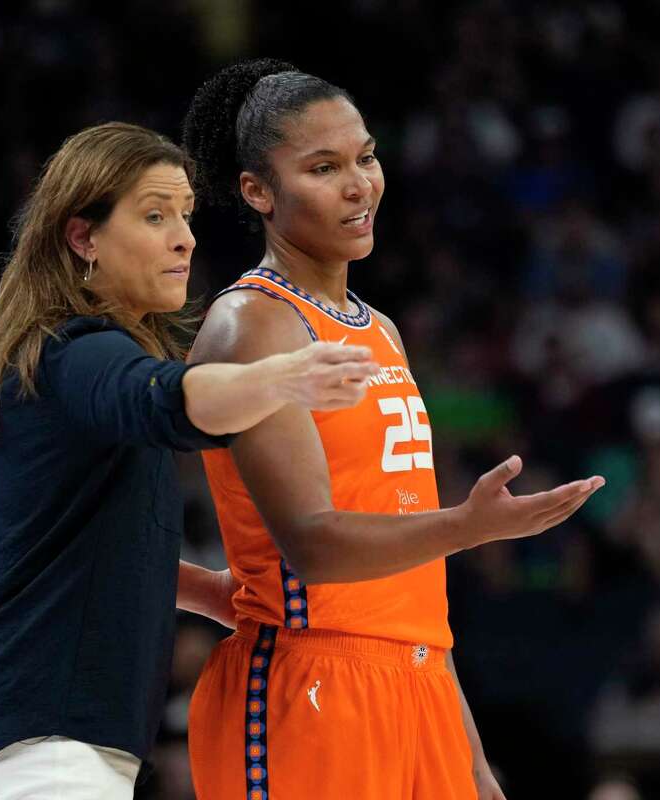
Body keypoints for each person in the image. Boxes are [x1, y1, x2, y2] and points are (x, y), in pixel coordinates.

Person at [0, 122, 379, 799]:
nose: (184, 236)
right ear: (83, 237)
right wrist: (285, 377)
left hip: (21, 752)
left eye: (184, 214)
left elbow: (64, 545)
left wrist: (196, 589)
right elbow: (166, 399)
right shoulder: (75, 353)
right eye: (155, 215)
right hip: (36, 757)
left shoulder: (52, 362)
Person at [182, 60, 605, 800]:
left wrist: (471, 764)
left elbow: (411, 588)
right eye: (323, 167)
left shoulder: (381, 330)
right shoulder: (251, 325)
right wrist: (468, 527)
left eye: (366, 157)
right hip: (309, 686)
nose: (358, 185)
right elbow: (314, 544)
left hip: (418, 682)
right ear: (257, 191)